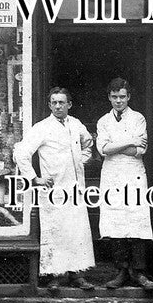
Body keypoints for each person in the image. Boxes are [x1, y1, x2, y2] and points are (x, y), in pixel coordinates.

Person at [13, 87, 95, 291]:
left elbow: (88, 143)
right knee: (55, 232)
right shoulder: (42, 127)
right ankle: (54, 277)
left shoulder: (76, 125)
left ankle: (77, 275)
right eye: (54, 103)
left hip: (75, 190)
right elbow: (21, 152)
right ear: (49, 105)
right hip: (53, 190)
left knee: (76, 232)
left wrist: (81, 161)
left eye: (62, 102)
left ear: (69, 104)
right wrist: (34, 178)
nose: (58, 106)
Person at [96, 77, 153, 292]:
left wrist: (117, 146)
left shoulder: (138, 118)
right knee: (116, 222)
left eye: (122, 96)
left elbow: (139, 151)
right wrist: (130, 141)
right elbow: (103, 149)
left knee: (136, 220)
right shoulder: (104, 121)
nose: (118, 101)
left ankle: (139, 272)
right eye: (114, 97)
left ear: (128, 97)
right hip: (112, 176)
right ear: (109, 97)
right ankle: (121, 272)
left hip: (134, 175)